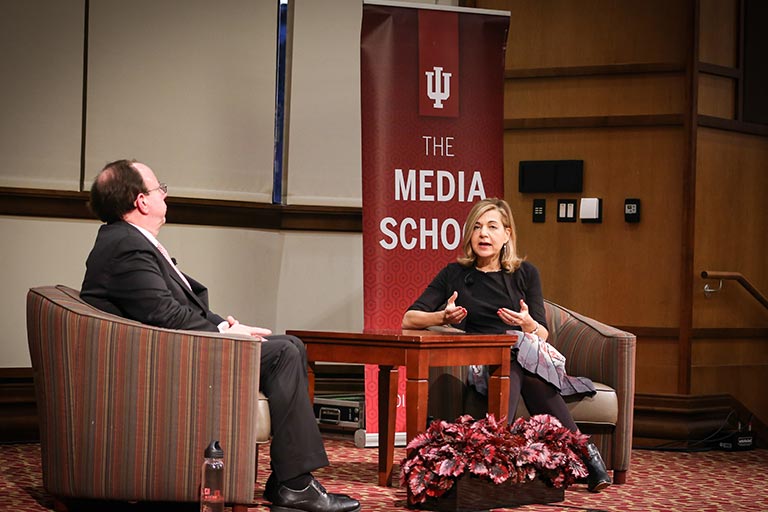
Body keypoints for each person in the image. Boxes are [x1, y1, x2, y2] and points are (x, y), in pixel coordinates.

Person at [81, 159, 360, 512]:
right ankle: (295, 485)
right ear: (142, 201)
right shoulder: (126, 246)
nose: (165, 194)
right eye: (159, 188)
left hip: (172, 349)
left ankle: (288, 481)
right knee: (285, 352)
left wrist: (227, 327)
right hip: (163, 363)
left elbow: (173, 307)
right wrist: (222, 333)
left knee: (287, 346)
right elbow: (164, 315)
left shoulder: (128, 241)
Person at [401, 197, 611, 493]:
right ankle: (588, 454)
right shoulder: (455, 275)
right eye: (476, 227)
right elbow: (409, 319)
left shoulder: (526, 274)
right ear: (469, 235)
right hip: (482, 360)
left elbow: (543, 334)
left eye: (491, 227)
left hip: (528, 355)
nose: (483, 234)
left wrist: (527, 324)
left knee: (517, 356)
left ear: (507, 235)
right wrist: (442, 316)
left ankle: (495, 449)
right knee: (511, 358)